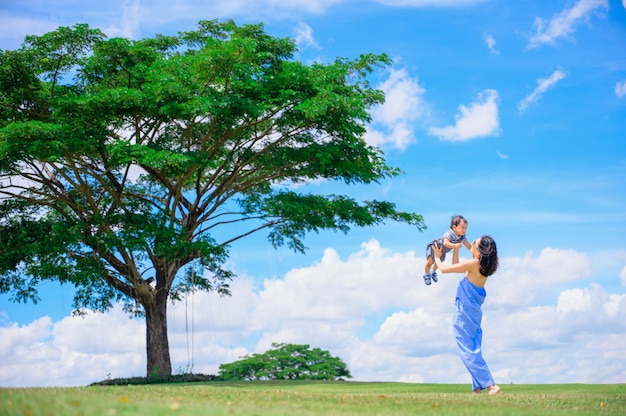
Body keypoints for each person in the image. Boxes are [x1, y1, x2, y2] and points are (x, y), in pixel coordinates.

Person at [432, 235, 501, 395]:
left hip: (463, 312)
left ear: (479, 252)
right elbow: (458, 264)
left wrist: (437, 256)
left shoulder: (473, 264)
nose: (471, 246)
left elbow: (444, 269)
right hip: (474, 314)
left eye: (474, 244)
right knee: (473, 346)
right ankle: (477, 389)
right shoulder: (483, 267)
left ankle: (491, 385)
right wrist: (461, 242)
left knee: (466, 349)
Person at [423, 215, 472, 285]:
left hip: (443, 251)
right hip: (435, 247)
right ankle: (426, 274)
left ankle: (433, 271)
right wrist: (455, 245)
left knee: (438, 263)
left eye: (466, 228)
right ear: (454, 227)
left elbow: (468, 246)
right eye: (463, 228)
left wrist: (475, 252)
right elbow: (446, 243)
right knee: (429, 263)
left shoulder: (462, 237)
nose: (464, 230)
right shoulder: (449, 234)